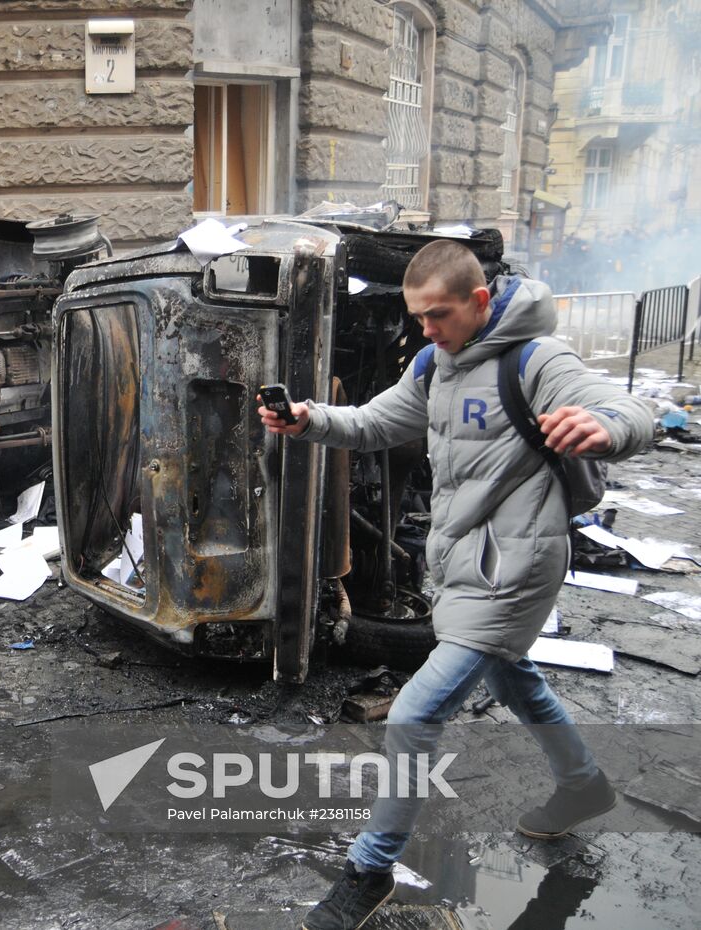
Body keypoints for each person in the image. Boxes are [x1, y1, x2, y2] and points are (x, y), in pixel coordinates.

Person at [258, 240, 654, 930]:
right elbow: (376, 423)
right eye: (418, 317)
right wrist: (308, 420)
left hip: (516, 569)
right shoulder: (432, 364)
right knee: (512, 678)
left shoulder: (536, 359)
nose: (426, 329)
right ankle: (583, 785)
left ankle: (368, 870)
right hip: (460, 564)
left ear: (478, 301)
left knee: (413, 715)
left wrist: (605, 426)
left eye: (438, 315)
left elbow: (628, 411)